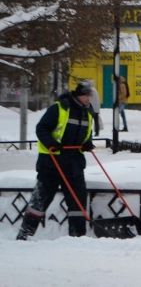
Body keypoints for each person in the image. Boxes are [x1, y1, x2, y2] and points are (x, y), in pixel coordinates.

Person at [16, 83, 95, 240]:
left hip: (74, 165)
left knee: (78, 203)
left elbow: (87, 133)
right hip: (51, 164)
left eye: (90, 95)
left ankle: (77, 237)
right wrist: (51, 143)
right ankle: (25, 235)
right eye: (85, 95)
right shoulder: (59, 108)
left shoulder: (88, 112)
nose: (88, 98)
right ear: (77, 95)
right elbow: (42, 129)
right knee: (39, 202)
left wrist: (87, 142)